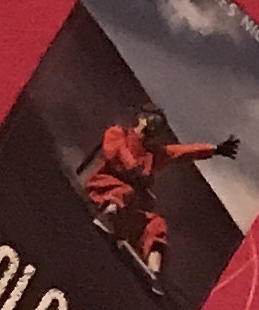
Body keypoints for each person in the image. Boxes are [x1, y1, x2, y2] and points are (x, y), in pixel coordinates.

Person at [77, 104, 238, 284]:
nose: (154, 127)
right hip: (101, 191)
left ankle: (154, 270)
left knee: (156, 222)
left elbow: (182, 152)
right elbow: (114, 150)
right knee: (126, 190)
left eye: (159, 124)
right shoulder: (118, 133)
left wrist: (215, 149)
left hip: (126, 208)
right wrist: (134, 168)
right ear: (141, 118)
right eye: (153, 120)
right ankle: (107, 215)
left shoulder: (153, 155)